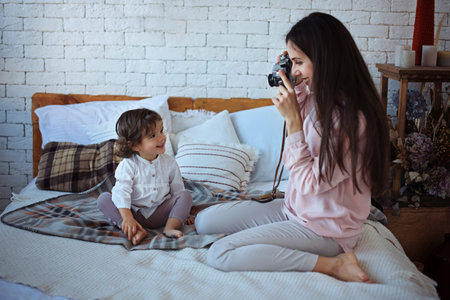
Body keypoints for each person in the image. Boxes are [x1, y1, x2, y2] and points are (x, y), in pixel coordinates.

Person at [195, 12, 389, 283]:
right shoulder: (318, 99)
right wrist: (291, 77)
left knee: (221, 252)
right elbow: (300, 111)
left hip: (325, 229)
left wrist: (294, 123)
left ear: (324, 60)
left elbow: (311, 183)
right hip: (294, 210)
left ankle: (333, 265)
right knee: (203, 221)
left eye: (299, 62)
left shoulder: (351, 120)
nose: (294, 69)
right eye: (291, 61)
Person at [97, 108, 193, 245]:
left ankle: (170, 228)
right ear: (135, 145)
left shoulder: (169, 162)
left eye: (161, 131)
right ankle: (134, 229)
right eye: (153, 136)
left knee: (185, 196)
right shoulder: (129, 164)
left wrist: (183, 212)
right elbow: (121, 192)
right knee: (103, 199)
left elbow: (177, 189)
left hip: (160, 213)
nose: (162, 137)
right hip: (134, 213)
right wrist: (127, 217)